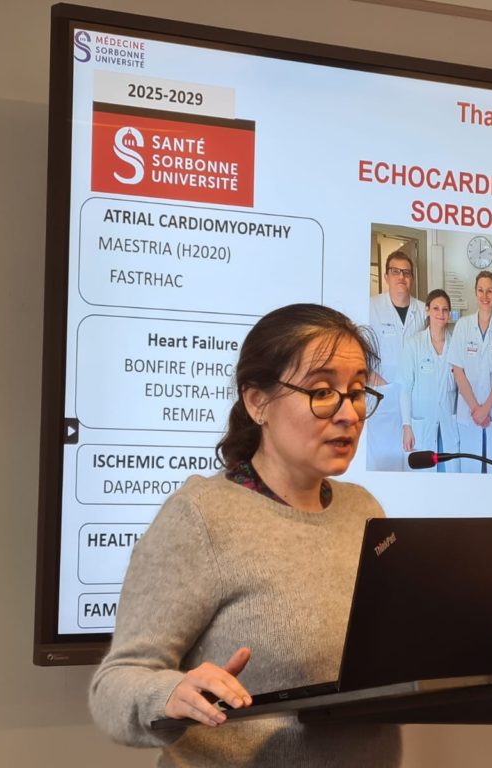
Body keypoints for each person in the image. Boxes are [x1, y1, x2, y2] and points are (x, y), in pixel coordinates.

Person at [89, 304, 401, 767]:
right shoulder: (202, 515)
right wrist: (169, 692)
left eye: (356, 392)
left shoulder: (364, 511)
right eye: (322, 391)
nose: (348, 414)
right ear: (257, 402)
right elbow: (113, 686)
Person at [366, 251, 426, 470]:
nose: (401, 276)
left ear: (412, 278)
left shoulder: (423, 310)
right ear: (386, 276)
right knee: (383, 461)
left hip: (414, 397)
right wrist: (384, 387)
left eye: (406, 272)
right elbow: (359, 355)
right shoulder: (370, 307)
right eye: (395, 271)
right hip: (382, 397)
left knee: (413, 461)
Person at [449, 271, 492, 472]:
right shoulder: (463, 326)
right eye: (481, 290)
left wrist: (485, 409)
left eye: (489, 291)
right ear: (475, 293)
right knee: (470, 470)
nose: (485, 296)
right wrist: (476, 409)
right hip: (469, 413)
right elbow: (458, 371)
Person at [399, 289, 458, 467]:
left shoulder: (455, 345)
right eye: (436, 308)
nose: (441, 314)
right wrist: (406, 425)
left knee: (450, 470)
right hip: (422, 424)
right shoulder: (413, 344)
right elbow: (405, 388)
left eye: (445, 309)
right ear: (427, 310)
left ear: (449, 313)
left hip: (448, 422)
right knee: (424, 474)